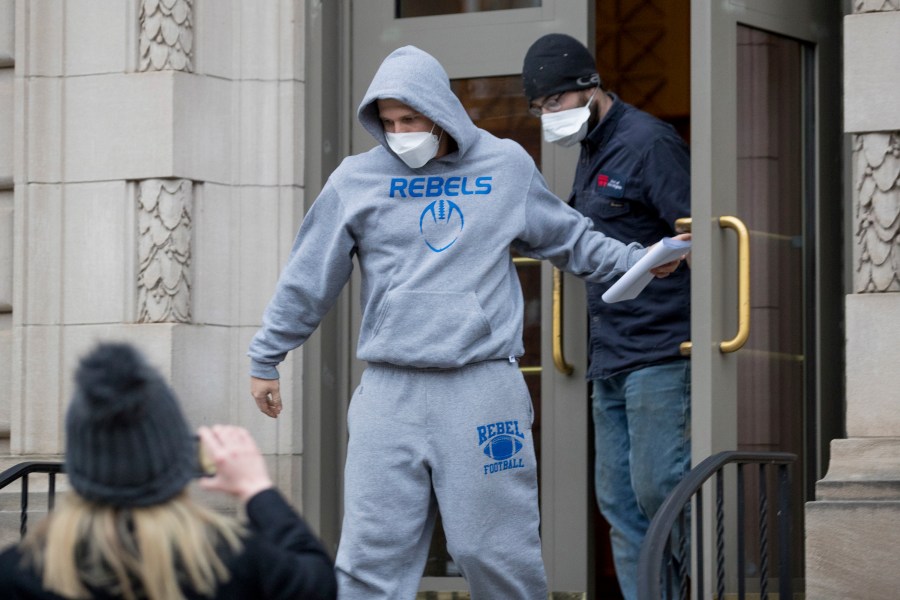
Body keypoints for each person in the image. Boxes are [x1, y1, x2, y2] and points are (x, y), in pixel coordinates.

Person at [247, 45, 683, 600]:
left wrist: (637, 260)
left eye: (410, 119)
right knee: (369, 558)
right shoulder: (355, 179)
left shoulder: (503, 166)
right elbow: (308, 276)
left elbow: (571, 238)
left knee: (495, 552)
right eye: (388, 123)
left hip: (481, 387)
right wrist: (267, 354)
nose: (399, 133)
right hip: (389, 390)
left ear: (441, 111)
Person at [522, 33, 692, 600]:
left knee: (660, 489)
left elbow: (694, 239)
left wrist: (663, 259)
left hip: (661, 351)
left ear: (588, 89)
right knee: (620, 505)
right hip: (609, 354)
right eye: (538, 109)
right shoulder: (591, 149)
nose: (548, 118)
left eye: (553, 105)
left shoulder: (649, 142)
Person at [0, 342, 337, 600]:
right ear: (175, 457)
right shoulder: (228, 562)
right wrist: (256, 489)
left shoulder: (20, 573)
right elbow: (319, 582)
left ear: (81, 463)